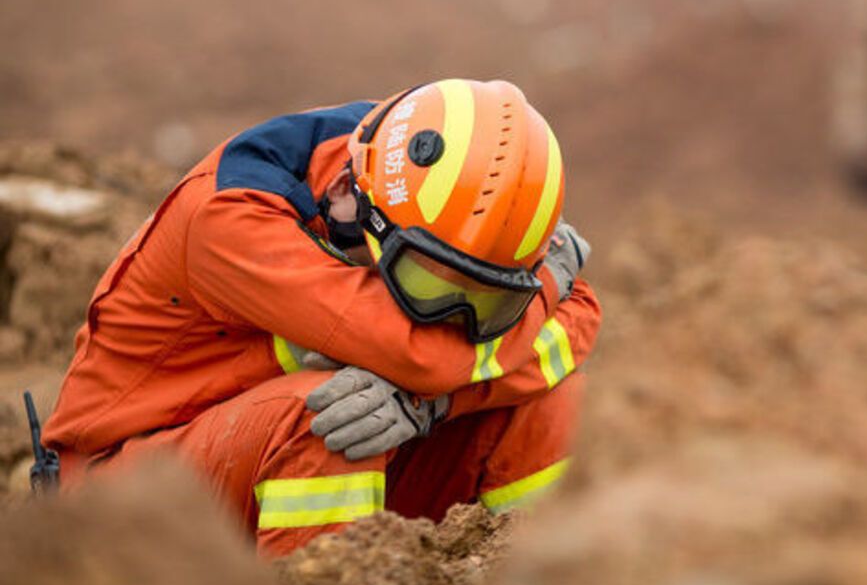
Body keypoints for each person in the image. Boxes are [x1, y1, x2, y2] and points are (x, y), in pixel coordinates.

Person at [42, 79, 601, 556]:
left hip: (273, 481)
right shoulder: (229, 221)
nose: (453, 316)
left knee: (545, 400)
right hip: (117, 504)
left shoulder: (447, 188)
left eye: (486, 299)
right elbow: (421, 356)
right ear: (345, 196)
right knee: (332, 415)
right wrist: (550, 281)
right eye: (427, 287)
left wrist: (435, 405)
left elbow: (582, 315)